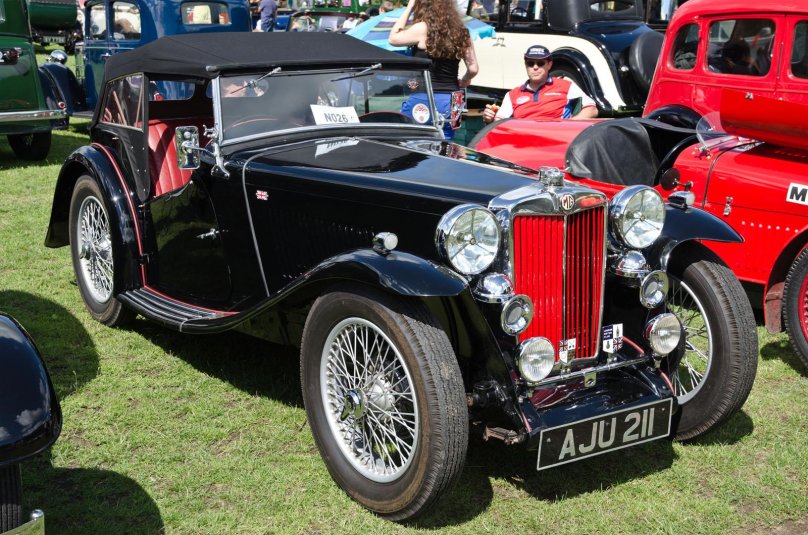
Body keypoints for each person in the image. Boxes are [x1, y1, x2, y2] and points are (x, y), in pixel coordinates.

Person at [388, 0, 479, 139]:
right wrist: (465, 80)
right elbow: (473, 68)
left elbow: (393, 38)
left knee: (414, 144)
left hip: (423, 97)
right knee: (446, 143)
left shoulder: (422, 28)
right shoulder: (462, 32)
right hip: (453, 100)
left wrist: (409, 8)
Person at [482, 44, 598, 123]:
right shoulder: (512, 94)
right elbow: (498, 122)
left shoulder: (566, 86)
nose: (535, 67)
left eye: (540, 63)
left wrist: (568, 126)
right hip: (523, 141)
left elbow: (592, 110)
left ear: (549, 65)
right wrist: (489, 118)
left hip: (557, 139)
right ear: (526, 65)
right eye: (531, 63)